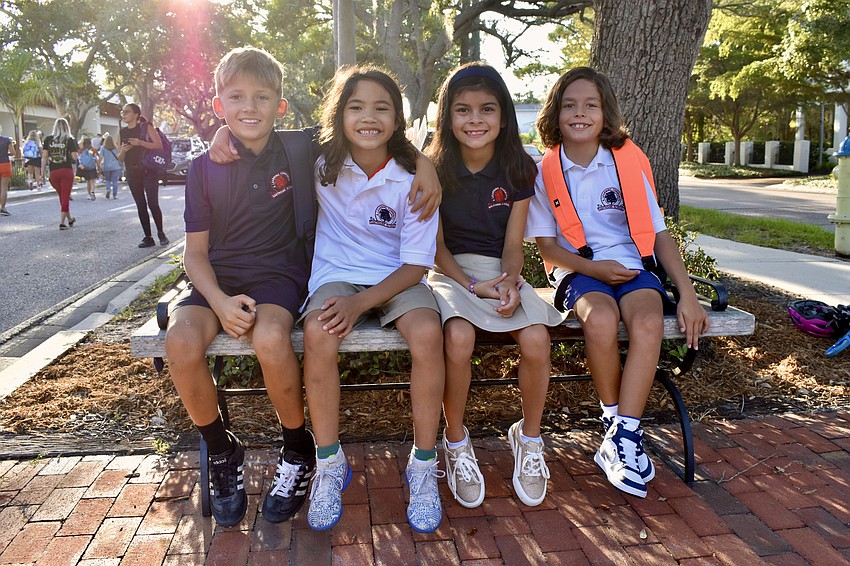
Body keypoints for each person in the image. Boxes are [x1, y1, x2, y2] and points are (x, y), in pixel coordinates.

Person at [526, 67, 709, 498]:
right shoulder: (544, 170)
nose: (580, 113)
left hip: (632, 267)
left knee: (647, 323)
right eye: (569, 105)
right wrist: (594, 270)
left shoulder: (627, 159)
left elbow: (660, 234)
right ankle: (617, 425)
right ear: (555, 112)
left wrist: (688, 294)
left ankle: (623, 435)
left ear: (606, 112)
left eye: (591, 105)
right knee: (601, 321)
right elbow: (548, 250)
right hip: (579, 272)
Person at [164, 47, 319, 528]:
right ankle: (220, 448)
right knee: (180, 340)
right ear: (218, 105)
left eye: (261, 96)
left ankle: (298, 448)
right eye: (236, 97)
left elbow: (373, 134)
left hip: (279, 273)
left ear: (281, 105)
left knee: (271, 336)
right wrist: (219, 301)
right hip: (218, 279)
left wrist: (420, 164)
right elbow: (194, 253)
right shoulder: (203, 168)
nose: (249, 107)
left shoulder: (299, 149)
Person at [301, 65, 445, 533]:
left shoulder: (414, 179)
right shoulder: (320, 162)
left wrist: (361, 306)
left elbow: (416, 266)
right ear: (338, 114)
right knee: (319, 335)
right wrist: (222, 134)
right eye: (356, 106)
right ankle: (329, 462)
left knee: (427, 333)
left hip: (397, 277)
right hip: (337, 274)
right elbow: (262, 135)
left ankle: (423, 465)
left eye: (382, 108)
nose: (368, 117)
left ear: (398, 119)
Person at [426, 63, 566, 509]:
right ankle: (455, 441)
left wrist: (507, 282)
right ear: (448, 117)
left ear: (504, 116)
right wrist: (471, 285)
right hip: (450, 272)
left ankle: (528, 440)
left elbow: (512, 245)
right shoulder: (432, 168)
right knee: (459, 336)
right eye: (463, 110)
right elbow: (435, 250)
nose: (475, 119)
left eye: (487, 109)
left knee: (538, 339)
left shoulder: (519, 169)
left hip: (499, 271)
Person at [118, 103, 169, 247]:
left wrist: (140, 142)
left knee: (153, 203)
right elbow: (120, 158)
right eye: (123, 112)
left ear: (135, 114)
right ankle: (148, 237)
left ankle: (161, 233)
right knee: (141, 205)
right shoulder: (122, 132)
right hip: (132, 172)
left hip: (148, 171)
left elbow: (159, 145)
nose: (124, 114)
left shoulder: (146, 127)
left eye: (126, 112)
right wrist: (123, 150)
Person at [42, 118, 78, 230]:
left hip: (53, 172)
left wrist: (42, 173)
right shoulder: (69, 139)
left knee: (62, 197)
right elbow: (74, 157)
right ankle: (62, 222)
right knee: (65, 196)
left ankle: (70, 219)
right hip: (66, 170)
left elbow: (44, 157)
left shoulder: (48, 139)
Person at [99, 134, 122, 199]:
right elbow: (119, 156)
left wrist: (99, 164)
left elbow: (100, 157)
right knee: (115, 180)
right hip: (115, 166)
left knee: (108, 180)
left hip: (106, 167)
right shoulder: (116, 148)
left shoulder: (103, 148)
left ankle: (108, 189)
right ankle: (114, 195)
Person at [0, 128, 17, 216]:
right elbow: (13, 152)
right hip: (5, 164)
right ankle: (3, 208)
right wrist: (7, 154)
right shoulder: (6, 140)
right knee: (4, 188)